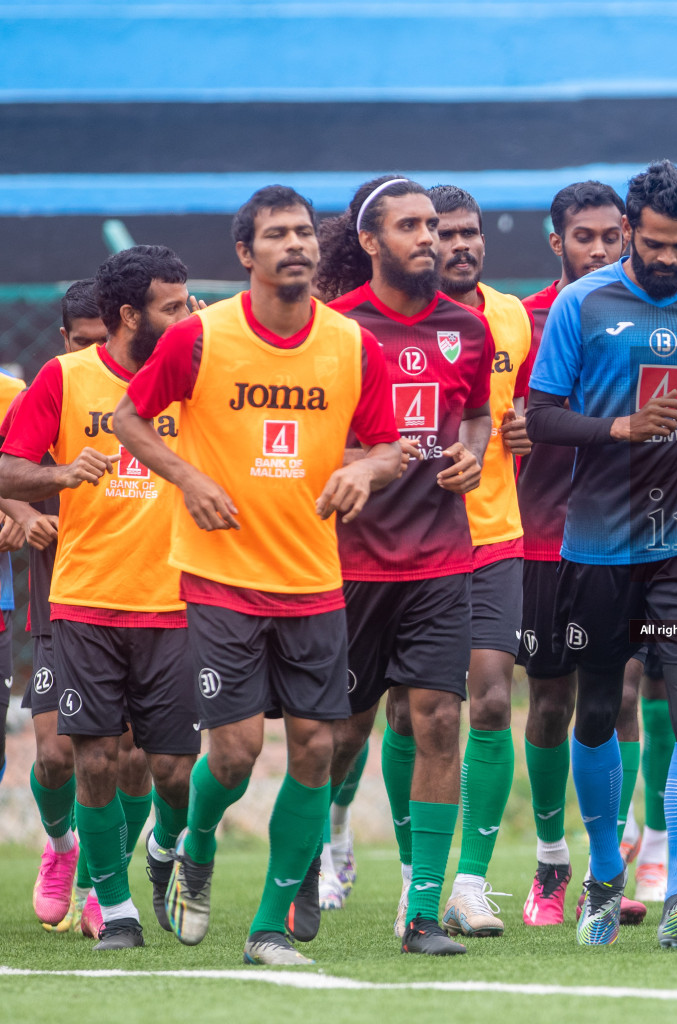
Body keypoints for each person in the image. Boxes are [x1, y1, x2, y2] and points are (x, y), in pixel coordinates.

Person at [114, 185, 402, 965]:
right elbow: (129, 419)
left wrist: (367, 473)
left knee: (316, 748)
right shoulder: (200, 339)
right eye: (277, 234)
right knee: (235, 753)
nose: (296, 244)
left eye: (304, 232)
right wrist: (188, 478)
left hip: (314, 581)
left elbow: (386, 443)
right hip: (221, 577)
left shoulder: (350, 344)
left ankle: (271, 926)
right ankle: (189, 846)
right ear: (247, 254)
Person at [525, 160, 677, 948]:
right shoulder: (580, 305)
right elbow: (543, 417)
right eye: (654, 243)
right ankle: (602, 872)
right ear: (628, 229)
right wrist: (616, 428)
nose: (668, 259)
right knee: (596, 710)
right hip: (597, 540)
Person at [0, 246, 202, 950]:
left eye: (187, 304)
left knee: (172, 769)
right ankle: (110, 902)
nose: (185, 317)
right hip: (84, 601)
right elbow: (8, 468)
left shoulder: (195, 376)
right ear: (129, 315)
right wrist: (58, 477)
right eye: (171, 306)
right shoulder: (62, 378)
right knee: (86, 757)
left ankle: (159, 850)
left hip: (179, 603)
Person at [317, 175, 494, 955]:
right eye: (412, 225)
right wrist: (363, 463)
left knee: (441, 721)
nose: (431, 237)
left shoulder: (469, 326)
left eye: (435, 224)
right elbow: (317, 445)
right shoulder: (336, 331)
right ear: (369, 242)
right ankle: (308, 857)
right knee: (340, 737)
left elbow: (481, 416)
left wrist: (473, 457)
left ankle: (421, 911)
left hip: (439, 558)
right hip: (351, 565)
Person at [514, 180, 648, 927]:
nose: (600, 250)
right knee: (551, 700)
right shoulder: (523, 320)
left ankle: (609, 864)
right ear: (555, 240)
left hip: (619, 537)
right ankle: (549, 861)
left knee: (620, 697)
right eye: (584, 237)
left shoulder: (647, 316)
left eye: (611, 237)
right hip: (537, 539)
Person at [409, 183, 533, 938]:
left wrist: (523, 434)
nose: (459, 245)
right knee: (414, 713)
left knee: (488, 701)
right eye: (443, 233)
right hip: (408, 542)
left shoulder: (512, 315)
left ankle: (471, 882)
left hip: (495, 533)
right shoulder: (380, 324)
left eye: (470, 232)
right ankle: (409, 877)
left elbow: (518, 413)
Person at [9, 281, 116, 938]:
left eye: (108, 341)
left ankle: (110, 883)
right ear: (63, 341)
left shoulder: (160, 398)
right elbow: (5, 472)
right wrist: (24, 513)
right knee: (54, 756)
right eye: (84, 343)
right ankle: (61, 845)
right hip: (60, 599)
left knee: (127, 759)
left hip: (143, 600)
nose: (97, 355)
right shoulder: (47, 392)